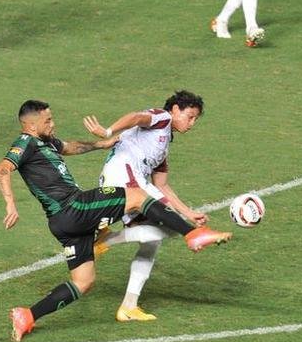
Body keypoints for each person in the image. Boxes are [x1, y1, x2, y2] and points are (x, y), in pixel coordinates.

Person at [0, 100, 231, 342]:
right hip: (73, 206)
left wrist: (102, 144)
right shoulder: (25, 142)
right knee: (138, 196)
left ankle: (28, 316)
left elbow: (70, 147)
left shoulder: (47, 142)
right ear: (32, 126)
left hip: (61, 223)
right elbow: (3, 169)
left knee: (83, 282)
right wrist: (10, 204)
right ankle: (193, 234)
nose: (53, 123)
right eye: (48, 121)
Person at [81, 91, 209, 323]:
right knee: (171, 224)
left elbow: (162, 186)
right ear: (176, 109)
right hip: (124, 178)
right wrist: (109, 131)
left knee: (154, 239)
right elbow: (137, 117)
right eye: (190, 116)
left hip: (130, 181)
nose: (192, 123)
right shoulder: (162, 118)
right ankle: (103, 241)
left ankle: (129, 305)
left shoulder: (163, 147)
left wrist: (189, 213)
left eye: (195, 119)